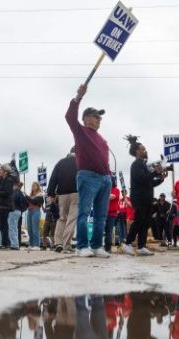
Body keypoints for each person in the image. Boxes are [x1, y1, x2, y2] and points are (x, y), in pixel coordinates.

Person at [65, 84, 111, 258]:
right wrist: (78, 97)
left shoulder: (101, 138)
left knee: (101, 216)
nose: (99, 119)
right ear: (85, 119)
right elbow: (70, 117)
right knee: (84, 212)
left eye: (100, 117)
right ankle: (82, 246)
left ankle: (97, 245)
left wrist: (109, 177)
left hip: (105, 179)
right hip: (88, 176)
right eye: (95, 116)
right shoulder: (81, 131)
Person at [121, 135, 166, 256]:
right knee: (139, 221)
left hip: (147, 198)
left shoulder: (144, 165)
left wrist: (160, 179)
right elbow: (141, 179)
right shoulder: (136, 164)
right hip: (139, 198)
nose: (145, 151)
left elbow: (149, 182)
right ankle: (127, 243)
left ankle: (141, 246)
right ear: (137, 151)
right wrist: (155, 172)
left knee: (146, 222)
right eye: (143, 149)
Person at [47, 147, 78, 253]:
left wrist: (51, 193)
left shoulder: (60, 162)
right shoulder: (81, 162)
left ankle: (58, 242)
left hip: (62, 194)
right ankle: (66, 245)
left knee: (62, 218)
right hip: (76, 193)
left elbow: (53, 178)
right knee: (71, 219)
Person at [0, 164, 15, 249]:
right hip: (1, 205)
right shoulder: (2, 180)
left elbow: (7, 192)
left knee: (4, 225)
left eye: (1, 170)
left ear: (5, 172)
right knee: (1, 225)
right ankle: (4, 243)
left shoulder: (9, 180)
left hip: (5, 205)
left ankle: (5, 244)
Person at [104, 178, 121, 252]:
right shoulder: (104, 189)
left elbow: (112, 197)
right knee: (100, 230)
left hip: (111, 214)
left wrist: (102, 196)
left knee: (109, 232)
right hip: (103, 213)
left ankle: (107, 248)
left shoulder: (116, 189)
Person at [27, 182, 44, 251]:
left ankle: (37, 245)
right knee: (29, 229)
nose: (33, 187)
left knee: (35, 228)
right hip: (29, 211)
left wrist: (27, 198)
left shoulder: (40, 194)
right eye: (32, 185)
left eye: (35, 185)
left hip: (36, 211)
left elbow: (35, 201)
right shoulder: (31, 194)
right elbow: (28, 202)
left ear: (38, 186)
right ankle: (31, 244)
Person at [9, 181, 26, 250]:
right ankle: (16, 243)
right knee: (15, 228)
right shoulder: (21, 193)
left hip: (13, 210)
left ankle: (14, 244)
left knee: (12, 228)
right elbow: (25, 203)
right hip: (19, 211)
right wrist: (22, 209)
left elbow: (12, 201)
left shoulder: (15, 192)